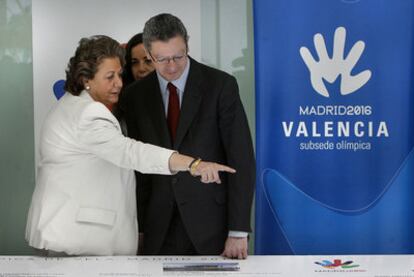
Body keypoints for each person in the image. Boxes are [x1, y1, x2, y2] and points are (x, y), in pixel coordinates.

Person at [25, 35, 235, 256]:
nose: (119, 83)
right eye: (110, 77)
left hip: (64, 234)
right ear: (85, 78)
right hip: (80, 240)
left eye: (119, 74)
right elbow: (132, 152)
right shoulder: (89, 113)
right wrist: (193, 164)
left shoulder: (69, 104)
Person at [122, 14, 255, 259]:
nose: (172, 66)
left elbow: (241, 160)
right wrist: (139, 229)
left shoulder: (221, 86)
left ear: (187, 45)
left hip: (211, 226)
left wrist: (238, 231)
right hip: (158, 228)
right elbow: (138, 170)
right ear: (149, 55)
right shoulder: (135, 96)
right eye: (162, 59)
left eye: (178, 56)